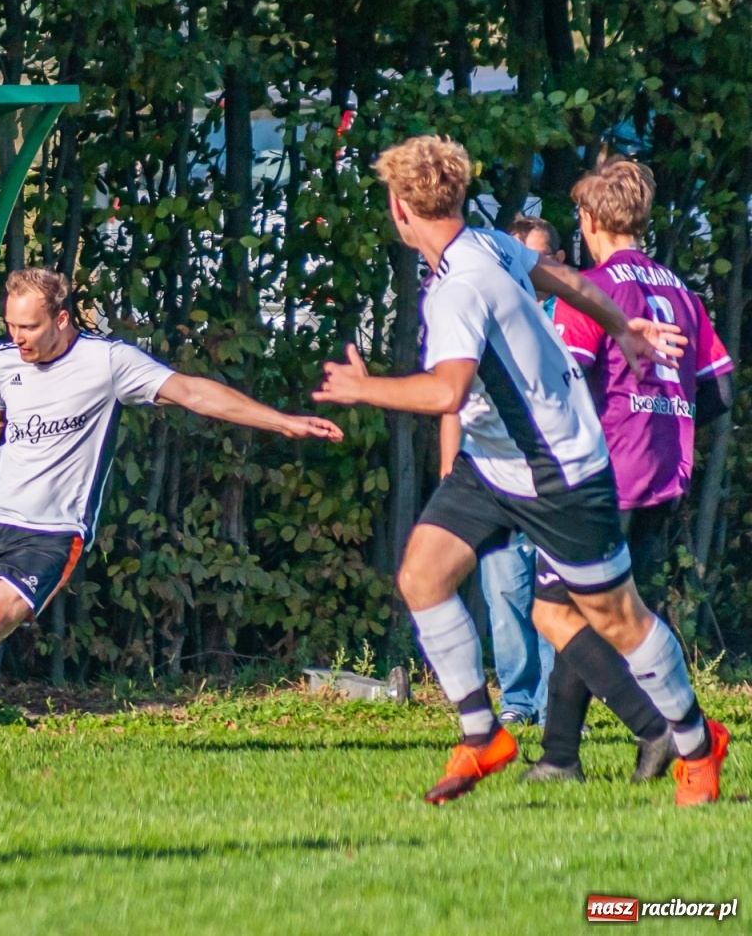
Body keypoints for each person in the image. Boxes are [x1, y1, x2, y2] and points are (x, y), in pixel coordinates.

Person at [312, 135, 729, 806]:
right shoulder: (482, 244)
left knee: (616, 617)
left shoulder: (457, 288)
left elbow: (446, 391)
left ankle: (695, 744)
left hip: (558, 470)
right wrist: (622, 326)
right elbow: (554, 275)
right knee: (422, 576)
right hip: (494, 464)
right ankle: (484, 737)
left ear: (399, 208)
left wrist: (364, 390)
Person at [0, 267, 344, 761]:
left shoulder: (108, 362)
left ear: (62, 319)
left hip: (49, 536)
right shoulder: (7, 359)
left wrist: (282, 423)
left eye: (29, 327)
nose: (19, 338)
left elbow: (192, 392)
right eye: (11, 326)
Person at [521, 157, 735, 783]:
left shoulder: (592, 290)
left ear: (587, 221)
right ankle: (560, 755)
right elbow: (718, 393)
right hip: (665, 471)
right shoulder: (681, 292)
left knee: (555, 611)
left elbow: (563, 387)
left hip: (605, 472)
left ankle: (662, 728)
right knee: (589, 609)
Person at [438, 215, 560, 726]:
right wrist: (450, 469)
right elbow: (453, 398)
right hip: (493, 473)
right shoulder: (478, 309)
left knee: (557, 597)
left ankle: (558, 704)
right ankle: (518, 698)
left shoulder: (563, 318)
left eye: (534, 260)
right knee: (505, 587)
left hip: (553, 475)